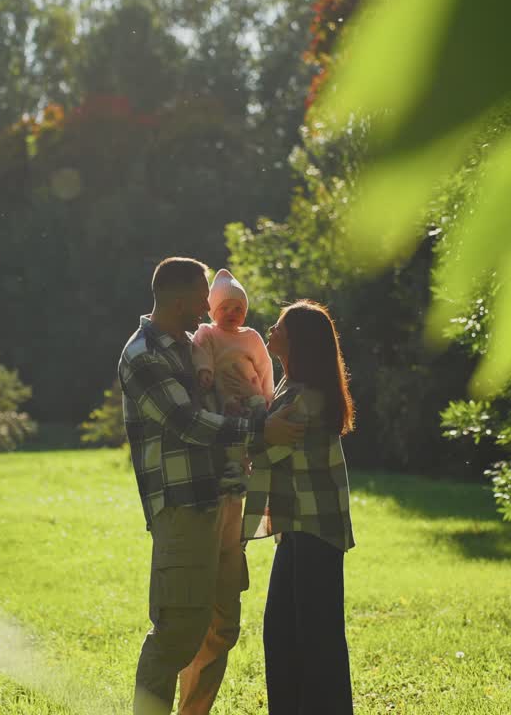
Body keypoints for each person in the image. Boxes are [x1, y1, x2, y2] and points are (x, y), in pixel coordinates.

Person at [118, 257, 305, 715]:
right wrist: (261, 431)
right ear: (179, 299)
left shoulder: (198, 345)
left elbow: (232, 400)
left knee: (221, 629)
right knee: (178, 632)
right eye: (202, 298)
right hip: (184, 507)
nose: (208, 307)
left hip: (226, 499)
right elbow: (187, 423)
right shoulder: (144, 355)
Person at [232, 300, 356, 715]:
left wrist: (238, 417)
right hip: (298, 528)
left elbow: (262, 452)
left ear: (298, 342)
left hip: (315, 531)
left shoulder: (307, 398)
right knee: (284, 634)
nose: (271, 330)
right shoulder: (292, 386)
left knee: (314, 641)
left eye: (280, 327)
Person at [191, 268, 276, 486]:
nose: (232, 313)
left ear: (245, 313)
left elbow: (265, 366)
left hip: (252, 394)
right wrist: (204, 370)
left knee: (253, 433)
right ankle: (233, 470)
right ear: (213, 311)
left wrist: (267, 396)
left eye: (238, 308)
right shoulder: (208, 332)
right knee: (231, 433)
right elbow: (200, 349)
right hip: (223, 396)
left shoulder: (251, 337)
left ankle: (247, 469)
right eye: (224, 308)